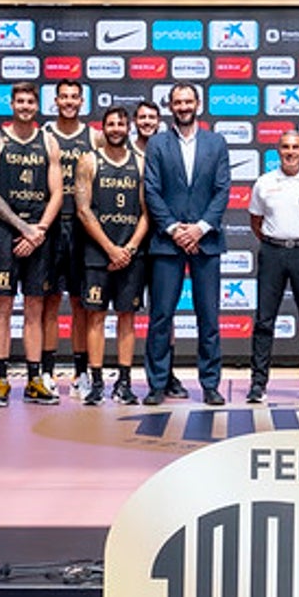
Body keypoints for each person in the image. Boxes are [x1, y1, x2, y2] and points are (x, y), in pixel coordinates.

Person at [142, 82, 231, 406]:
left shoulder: (216, 143)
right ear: (171, 106)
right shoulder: (157, 144)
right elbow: (151, 190)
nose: (183, 107)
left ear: (198, 104)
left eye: (188, 101)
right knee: (161, 316)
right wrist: (175, 229)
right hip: (167, 243)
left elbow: (222, 190)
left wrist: (200, 228)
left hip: (207, 242)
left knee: (208, 317)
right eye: (177, 102)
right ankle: (157, 383)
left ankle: (210, 384)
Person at [0, 82, 64, 406]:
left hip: (40, 233)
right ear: (11, 105)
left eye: (30, 101)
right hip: (4, 234)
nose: (25, 106)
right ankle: (0, 380)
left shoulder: (48, 140)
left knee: (35, 308)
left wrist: (39, 229)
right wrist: (23, 227)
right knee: (1, 307)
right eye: (20, 101)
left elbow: (57, 192)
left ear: (36, 106)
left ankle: (34, 380)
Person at [246, 130, 299, 404]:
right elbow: (255, 222)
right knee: (264, 321)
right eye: (285, 147)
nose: (291, 152)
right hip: (272, 252)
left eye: (296, 147)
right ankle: (258, 385)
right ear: (278, 151)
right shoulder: (264, 182)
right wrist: (277, 242)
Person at [75, 105, 150, 405]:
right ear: (102, 128)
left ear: (128, 128)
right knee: (95, 317)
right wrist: (110, 248)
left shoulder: (141, 163)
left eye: (121, 124)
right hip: (98, 253)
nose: (116, 128)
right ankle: (95, 382)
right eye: (111, 124)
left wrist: (129, 248)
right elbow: (83, 209)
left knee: (127, 318)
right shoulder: (88, 161)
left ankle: (124, 382)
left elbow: (148, 213)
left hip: (131, 254)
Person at [43, 79, 98, 403]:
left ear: (81, 101)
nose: (68, 102)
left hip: (81, 229)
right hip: (51, 227)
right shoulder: (45, 136)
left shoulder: (94, 137)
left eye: (74, 97)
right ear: (56, 101)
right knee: (49, 301)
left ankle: (81, 375)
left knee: (81, 305)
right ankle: (47, 372)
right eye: (63, 97)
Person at [132, 100, 187, 398]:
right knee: (130, 311)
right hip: (131, 241)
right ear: (134, 122)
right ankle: (127, 376)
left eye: (152, 117)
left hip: (165, 240)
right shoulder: (125, 152)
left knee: (164, 311)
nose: (147, 122)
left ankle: (167, 374)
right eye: (141, 118)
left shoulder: (170, 149)